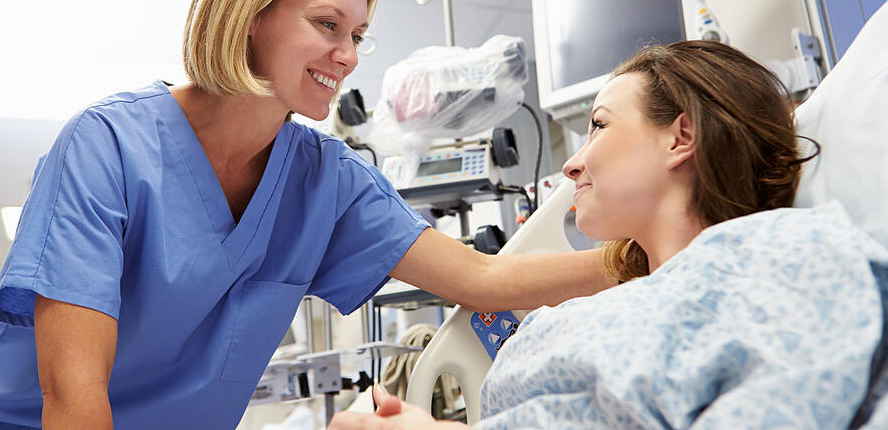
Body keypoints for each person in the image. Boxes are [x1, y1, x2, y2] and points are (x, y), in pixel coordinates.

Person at [0, 0, 614, 428]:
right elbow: (74, 400)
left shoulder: (324, 179)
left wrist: (654, 253)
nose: (350, 55)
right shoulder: (107, 146)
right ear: (250, 14)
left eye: (358, 34)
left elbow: (484, 278)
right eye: (327, 25)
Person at [329, 41, 888, 428]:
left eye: (598, 125)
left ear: (681, 137)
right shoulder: (572, 320)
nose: (571, 165)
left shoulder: (789, 262)